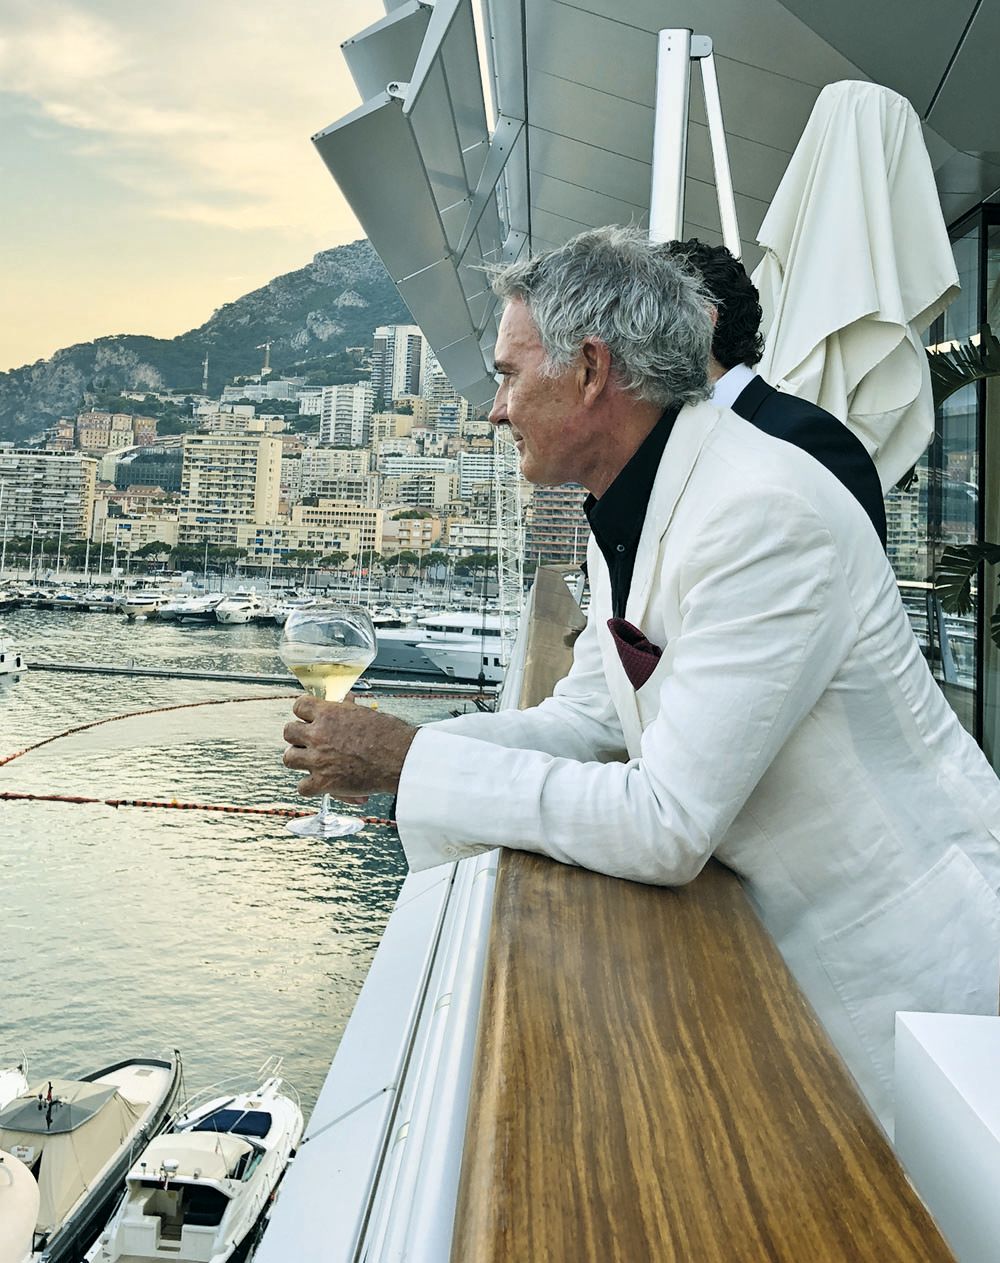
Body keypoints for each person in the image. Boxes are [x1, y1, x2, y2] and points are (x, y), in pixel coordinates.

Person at [283, 225, 1000, 1130]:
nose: (494, 411)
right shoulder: (636, 499)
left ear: (590, 370)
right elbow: (586, 719)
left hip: (921, 980)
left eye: (509, 375)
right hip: (804, 961)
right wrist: (409, 751)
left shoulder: (762, 514)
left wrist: (404, 761)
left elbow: (668, 822)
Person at [667, 238, 888, 546]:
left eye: (648, 314)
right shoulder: (672, 434)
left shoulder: (810, 438)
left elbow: (856, 564)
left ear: (702, 321)